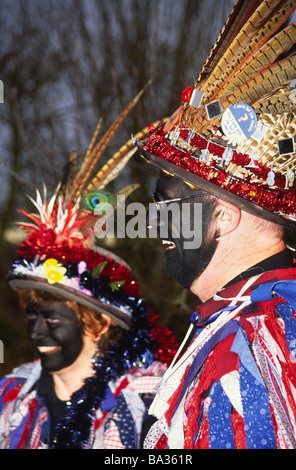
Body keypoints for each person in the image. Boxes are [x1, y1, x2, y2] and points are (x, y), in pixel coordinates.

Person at [136, 0, 296, 449]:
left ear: (224, 216)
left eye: (167, 204)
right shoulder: (239, 317)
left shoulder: (257, 341)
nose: (153, 221)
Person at [0, 101, 178, 449]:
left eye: (52, 317)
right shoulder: (12, 397)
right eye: (33, 315)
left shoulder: (154, 401)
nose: (36, 330)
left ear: (98, 323)